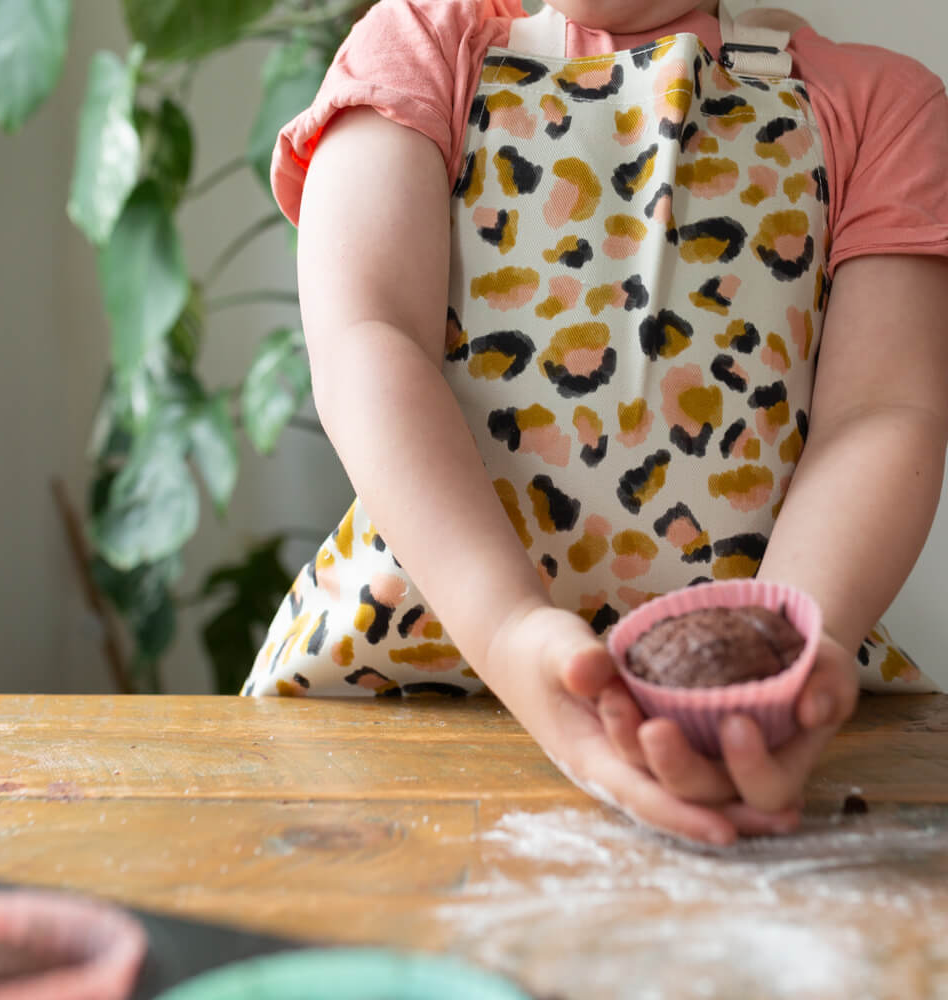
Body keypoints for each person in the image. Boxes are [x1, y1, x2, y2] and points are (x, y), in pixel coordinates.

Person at [242, 0, 948, 846]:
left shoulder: (881, 110)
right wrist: (508, 630)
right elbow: (367, 341)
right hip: (396, 703)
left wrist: (787, 655)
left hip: (761, 733)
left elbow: (880, 414)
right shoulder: (422, 48)